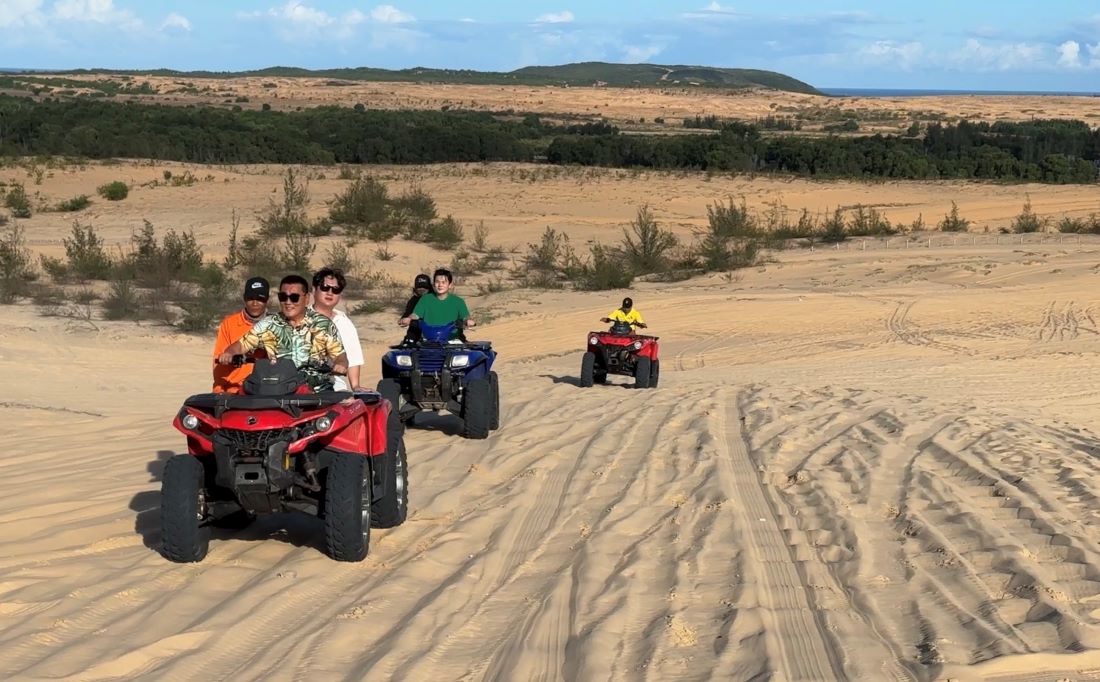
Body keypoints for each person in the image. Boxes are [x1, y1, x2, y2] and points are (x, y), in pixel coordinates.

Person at [217, 275, 348, 392]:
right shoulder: (268, 324)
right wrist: (229, 353)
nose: (288, 302)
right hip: (279, 392)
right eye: (283, 297)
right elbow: (241, 345)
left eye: (294, 297)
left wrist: (341, 364)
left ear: (307, 299)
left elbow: (340, 355)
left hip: (317, 393)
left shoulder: (323, 324)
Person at [212, 276, 271, 394]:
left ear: (267, 300)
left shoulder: (275, 325)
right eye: (250, 298)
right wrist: (227, 356)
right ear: (244, 298)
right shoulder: (229, 323)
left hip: (265, 390)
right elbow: (218, 362)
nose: (255, 303)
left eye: (260, 299)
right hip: (233, 390)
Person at [310, 267, 364, 392]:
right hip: (300, 386)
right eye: (325, 288)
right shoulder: (300, 317)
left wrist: (356, 386)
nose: (330, 293)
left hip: (335, 388)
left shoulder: (344, 322)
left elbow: (353, 358)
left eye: (336, 290)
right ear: (314, 289)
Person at [401, 268, 476, 340]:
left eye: (443, 282)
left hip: (453, 340)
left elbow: (465, 317)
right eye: (437, 282)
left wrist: (468, 321)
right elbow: (416, 314)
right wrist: (409, 319)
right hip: (428, 340)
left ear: (450, 285)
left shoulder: (458, 301)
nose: (440, 285)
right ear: (433, 284)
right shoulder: (425, 299)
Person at [397, 273, 432, 344]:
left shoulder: (437, 299)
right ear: (415, 289)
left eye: (424, 287)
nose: (422, 289)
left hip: (437, 332)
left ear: (430, 288)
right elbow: (407, 313)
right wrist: (403, 320)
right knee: (407, 344)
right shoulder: (413, 301)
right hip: (416, 331)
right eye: (419, 287)